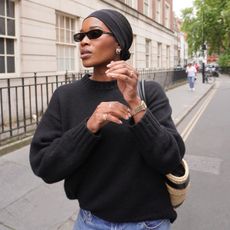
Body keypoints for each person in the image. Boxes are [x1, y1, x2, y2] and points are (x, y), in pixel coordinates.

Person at [29, 9, 185, 230]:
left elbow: (170, 158)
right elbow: (44, 165)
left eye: (93, 34)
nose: (83, 41)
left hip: (148, 223)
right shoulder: (65, 96)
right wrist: (88, 128)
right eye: (79, 36)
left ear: (119, 42)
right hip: (90, 222)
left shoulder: (148, 91)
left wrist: (135, 103)